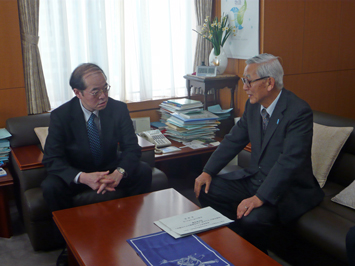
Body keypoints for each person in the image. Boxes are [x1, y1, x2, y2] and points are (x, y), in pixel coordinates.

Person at [194, 53, 324, 253]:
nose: (244, 87)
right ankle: (235, 245)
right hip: (256, 178)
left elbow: (289, 161)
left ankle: (255, 257)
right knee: (206, 189)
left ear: (269, 83)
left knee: (252, 220)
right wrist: (208, 171)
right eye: (244, 80)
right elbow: (233, 139)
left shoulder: (298, 112)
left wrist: (259, 197)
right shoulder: (253, 106)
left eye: (248, 81)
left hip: (286, 189)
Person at [41, 63, 152, 265]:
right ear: (78, 93)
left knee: (143, 171)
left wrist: (118, 173)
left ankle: (134, 233)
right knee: (50, 186)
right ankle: (68, 246)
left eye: (105, 88)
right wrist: (83, 177)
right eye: (95, 91)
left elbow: (132, 148)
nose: (103, 96)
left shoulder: (118, 108)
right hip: (79, 173)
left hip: (110, 170)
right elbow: (51, 159)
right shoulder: (61, 116)